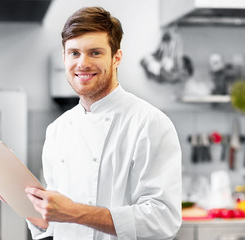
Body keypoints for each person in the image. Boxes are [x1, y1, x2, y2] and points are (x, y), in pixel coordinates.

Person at [25, 6, 182, 240]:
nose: (82, 63)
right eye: (74, 53)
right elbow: (54, 225)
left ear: (116, 57)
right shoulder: (57, 130)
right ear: (64, 57)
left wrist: (74, 212)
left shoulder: (149, 123)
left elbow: (163, 220)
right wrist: (29, 206)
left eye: (95, 53)